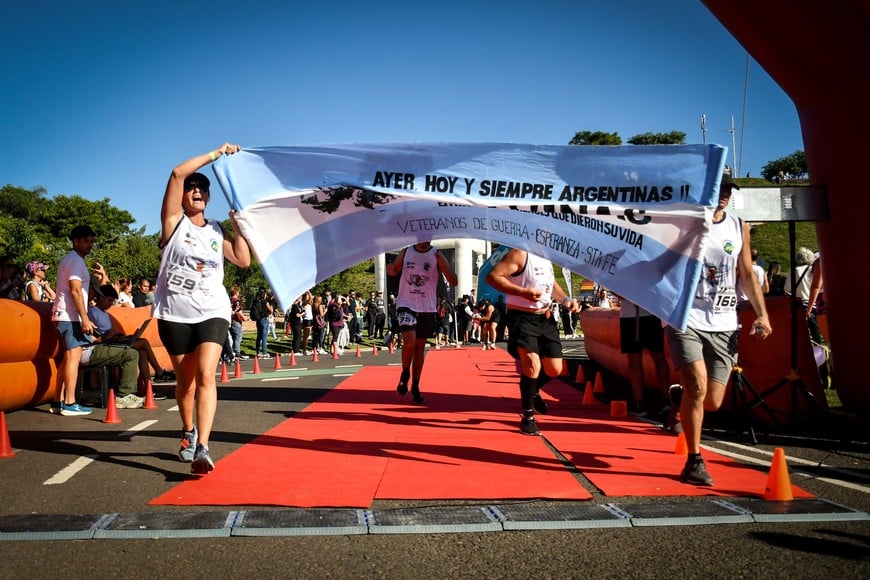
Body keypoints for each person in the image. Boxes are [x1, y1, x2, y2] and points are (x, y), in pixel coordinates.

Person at [664, 173, 772, 486]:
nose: (724, 194)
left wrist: (762, 315)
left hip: (724, 322)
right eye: (719, 189)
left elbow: (746, 273)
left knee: (712, 401)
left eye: (728, 190)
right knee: (697, 386)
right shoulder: (684, 222)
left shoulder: (739, 226)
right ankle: (694, 460)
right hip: (685, 317)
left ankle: (679, 397)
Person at [153, 142, 250, 475]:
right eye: (192, 187)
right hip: (174, 312)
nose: (196, 190)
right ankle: (188, 431)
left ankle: (204, 447)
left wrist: (238, 228)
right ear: (182, 196)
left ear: (208, 197)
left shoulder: (216, 229)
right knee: (186, 383)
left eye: (203, 188)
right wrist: (216, 154)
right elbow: (177, 173)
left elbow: (243, 260)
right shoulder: (173, 223)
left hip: (212, 309)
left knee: (207, 374)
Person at [486, 248, 579, 435]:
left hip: (544, 319)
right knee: (532, 366)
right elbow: (493, 277)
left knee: (555, 369)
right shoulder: (520, 254)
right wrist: (522, 292)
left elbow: (550, 283)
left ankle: (533, 389)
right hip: (521, 317)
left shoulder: (546, 256)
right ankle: (528, 418)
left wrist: (565, 299)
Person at [386, 241, 458, 403]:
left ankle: (415, 386)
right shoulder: (406, 252)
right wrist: (390, 267)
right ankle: (405, 371)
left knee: (419, 349)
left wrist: (443, 265)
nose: (425, 241)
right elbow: (393, 270)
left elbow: (454, 281)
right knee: (409, 341)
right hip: (406, 303)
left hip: (427, 307)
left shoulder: (437, 254)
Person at [50, 225, 98, 416]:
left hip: (67, 316)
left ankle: (58, 400)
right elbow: (75, 290)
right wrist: (84, 318)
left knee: (68, 358)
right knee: (73, 357)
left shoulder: (72, 259)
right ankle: (70, 402)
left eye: (92, 241)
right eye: (86, 241)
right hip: (70, 317)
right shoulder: (75, 261)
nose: (90, 245)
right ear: (75, 241)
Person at [85, 284, 145, 409]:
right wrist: (103, 338)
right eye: (109, 300)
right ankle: (124, 395)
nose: (111, 304)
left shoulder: (104, 314)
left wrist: (114, 336)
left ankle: (141, 387)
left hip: (104, 343)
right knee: (132, 353)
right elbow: (91, 337)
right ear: (100, 297)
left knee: (138, 346)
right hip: (94, 348)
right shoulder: (90, 312)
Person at [618, 298, 671, 417]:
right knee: (657, 357)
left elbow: (617, 291)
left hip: (634, 316)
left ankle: (640, 403)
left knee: (637, 360)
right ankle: (664, 400)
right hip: (651, 313)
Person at [249, 287, 273, 358]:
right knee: (264, 337)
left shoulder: (255, 301)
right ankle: (264, 352)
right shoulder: (265, 302)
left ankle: (258, 352)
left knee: (259, 336)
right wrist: (271, 304)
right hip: (264, 319)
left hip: (258, 320)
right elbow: (271, 310)